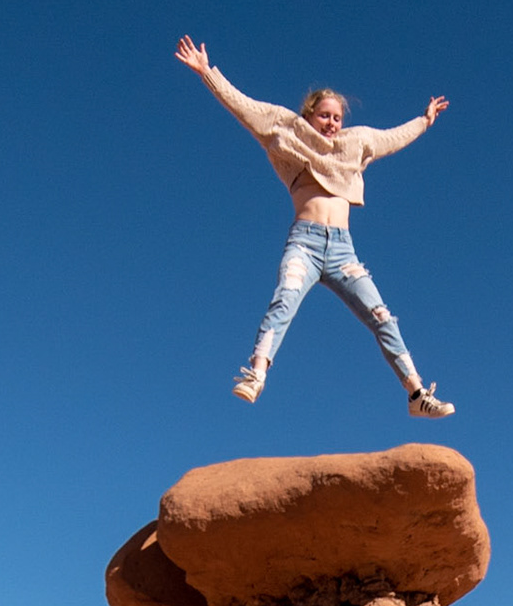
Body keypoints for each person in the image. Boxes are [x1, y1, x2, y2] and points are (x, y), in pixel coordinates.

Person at [174, 35, 455, 418]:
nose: (332, 123)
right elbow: (244, 107)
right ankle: (256, 374)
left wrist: (424, 121)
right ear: (308, 115)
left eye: (337, 117)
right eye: (324, 115)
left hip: (343, 251)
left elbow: (392, 139)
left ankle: (416, 394)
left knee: (382, 316)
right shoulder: (287, 132)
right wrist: (208, 73)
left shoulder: (356, 143)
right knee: (284, 298)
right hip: (304, 243)